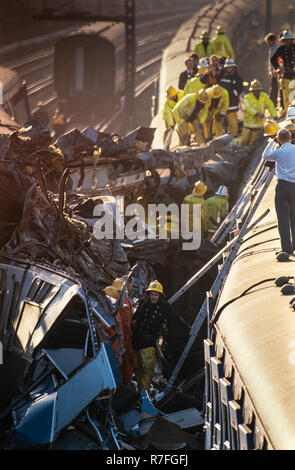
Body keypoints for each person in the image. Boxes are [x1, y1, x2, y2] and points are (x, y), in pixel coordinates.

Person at [131, 280, 178, 392]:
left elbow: (175, 318)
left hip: (148, 343)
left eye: (156, 294)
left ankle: (144, 395)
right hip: (136, 341)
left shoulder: (164, 307)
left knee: (147, 370)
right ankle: (139, 393)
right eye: (152, 294)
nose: (153, 297)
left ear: (160, 296)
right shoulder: (143, 304)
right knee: (137, 369)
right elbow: (135, 318)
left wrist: (188, 329)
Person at [262, 128, 295, 255]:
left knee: (283, 218)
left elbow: (265, 156)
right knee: (294, 217)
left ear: (279, 139)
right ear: (291, 136)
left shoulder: (278, 153)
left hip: (283, 187)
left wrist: (271, 142)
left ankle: (286, 248)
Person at [239, 79, 277, 148]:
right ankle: (240, 154)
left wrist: (274, 115)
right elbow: (248, 107)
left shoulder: (264, 96)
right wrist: (256, 113)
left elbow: (270, 105)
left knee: (253, 143)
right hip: (248, 125)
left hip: (258, 125)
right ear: (252, 90)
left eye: (258, 90)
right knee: (244, 141)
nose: (256, 92)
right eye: (255, 90)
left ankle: (250, 156)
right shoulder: (247, 97)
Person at [112, 276, 134, 385]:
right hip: (124, 338)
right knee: (126, 362)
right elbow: (125, 323)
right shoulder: (123, 301)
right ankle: (124, 383)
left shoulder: (122, 300)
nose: (132, 286)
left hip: (122, 337)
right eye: (131, 284)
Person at [271, 30, 295, 114]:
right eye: (285, 40)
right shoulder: (281, 49)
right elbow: (273, 59)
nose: (287, 41)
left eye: (288, 39)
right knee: (287, 97)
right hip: (286, 75)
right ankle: (288, 113)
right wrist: (279, 68)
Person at [220, 58, 244, 137]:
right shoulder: (223, 77)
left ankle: (233, 138)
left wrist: (231, 91)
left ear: (234, 68)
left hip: (232, 105)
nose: (229, 69)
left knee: (233, 124)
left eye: (230, 67)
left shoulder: (238, 79)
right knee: (219, 124)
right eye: (227, 68)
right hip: (222, 105)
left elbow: (239, 91)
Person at [265, 33, 279, 106]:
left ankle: (273, 103)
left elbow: (277, 60)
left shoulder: (277, 49)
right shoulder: (271, 49)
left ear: (272, 41)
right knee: (273, 87)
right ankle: (272, 102)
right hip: (273, 72)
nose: (268, 43)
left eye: (268, 42)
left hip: (276, 72)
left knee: (275, 88)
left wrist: (275, 70)